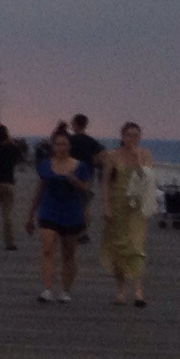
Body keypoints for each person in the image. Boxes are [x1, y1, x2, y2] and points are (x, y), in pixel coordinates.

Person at [30, 128, 90, 303]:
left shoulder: (80, 166)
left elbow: (86, 189)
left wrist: (75, 181)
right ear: (53, 146)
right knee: (47, 248)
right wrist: (31, 214)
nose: (61, 147)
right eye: (57, 144)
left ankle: (65, 290)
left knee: (68, 253)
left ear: (69, 146)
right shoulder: (45, 165)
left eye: (64, 144)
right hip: (49, 209)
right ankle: (47, 288)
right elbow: (39, 189)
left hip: (71, 211)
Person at [99, 122, 154, 306]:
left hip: (137, 207)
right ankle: (121, 290)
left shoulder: (145, 155)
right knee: (118, 247)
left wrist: (137, 160)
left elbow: (146, 179)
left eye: (136, 135)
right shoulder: (112, 156)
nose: (132, 139)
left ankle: (139, 291)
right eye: (129, 135)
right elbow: (106, 182)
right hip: (118, 203)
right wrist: (106, 205)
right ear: (122, 136)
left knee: (135, 246)